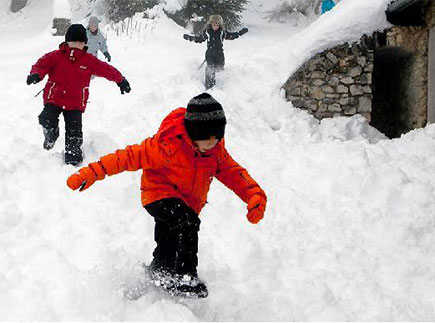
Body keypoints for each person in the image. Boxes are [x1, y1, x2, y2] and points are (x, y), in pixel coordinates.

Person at [66, 93, 267, 298]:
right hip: (158, 194)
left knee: (169, 239)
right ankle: (184, 277)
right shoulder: (165, 145)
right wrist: (90, 172)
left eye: (217, 138)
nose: (212, 143)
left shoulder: (215, 152)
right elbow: (125, 158)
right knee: (186, 223)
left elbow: (234, 173)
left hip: (187, 202)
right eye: (207, 138)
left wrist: (254, 196)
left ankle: (157, 271)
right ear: (193, 132)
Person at [26, 24, 131, 166]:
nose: (76, 46)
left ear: (84, 44)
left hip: (75, 103)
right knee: (46, 118)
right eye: (73, 43)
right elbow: (42, 64)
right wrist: (36, 74)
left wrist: (120, 80)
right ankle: (51, 133)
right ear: (66, 42)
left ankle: (73, 152)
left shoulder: (89, 61)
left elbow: (106, 69)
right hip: (54, 98)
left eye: (80, 43)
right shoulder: (55, 56)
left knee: (74, 131)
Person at [183, 15, 248, 89]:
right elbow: (200, 39)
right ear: (211, 24)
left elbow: (232, 35)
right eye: (214, 24)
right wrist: (190, 38)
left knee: (219, 69)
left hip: (219, 54)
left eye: (217, 24)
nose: (215, 26)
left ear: (219, 25)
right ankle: (209, 87)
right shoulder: (207, 32)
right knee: (210, 69)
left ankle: (221, 86)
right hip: (210, 54)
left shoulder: (222, 33)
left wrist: (240, 33)